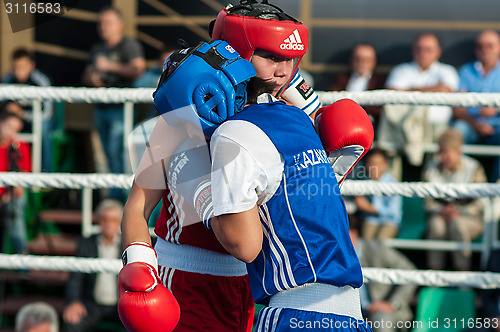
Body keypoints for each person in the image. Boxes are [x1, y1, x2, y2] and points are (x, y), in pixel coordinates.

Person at [118, 2, 331, 332]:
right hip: (183, 279)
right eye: (271, 57)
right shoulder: (185, 111)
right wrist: (140, 264)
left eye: (289, 59)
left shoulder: (285, 115)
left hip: (250, 284)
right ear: (237, 49)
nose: (282, 71)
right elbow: (137, 206)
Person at [82, 6, 145, 181]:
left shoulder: (129, 44)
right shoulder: (97, 48)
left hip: (121, 109)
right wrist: (92, 78)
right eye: (100, 23)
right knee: (106, 154)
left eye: (108, 22)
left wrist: (110, 66)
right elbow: (85, 76)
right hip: (101, 107)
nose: (103, 26)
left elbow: (138, 69)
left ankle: (121, 198)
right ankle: (114, 196)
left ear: (119, 25)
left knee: (119, 151)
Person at [422, 129, 487, 271]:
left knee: (458, 226)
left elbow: (482, 202)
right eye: (441, 152)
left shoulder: (474, 168)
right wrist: (441, 210)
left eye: (447, 152)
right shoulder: (431, 168)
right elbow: (427, 201)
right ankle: (434, 277)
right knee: (436, 226)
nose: (443, 157)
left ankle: (463, 279)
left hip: (470, 217)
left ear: (458, 152)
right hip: (440, 214)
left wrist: (460, 211)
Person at [62, 199, 124, 332]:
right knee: (72, 323)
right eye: (104, 218)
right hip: (91, 304)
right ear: (98, 220)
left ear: (119, 222)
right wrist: (73, 302)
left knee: (141, 324)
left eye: (113, 220)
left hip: (121, 305)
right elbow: (75, 277)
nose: (108, 223)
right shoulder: (86, 243)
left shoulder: (127, 245)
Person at [348, 216, 417, 332]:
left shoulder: (376, 249)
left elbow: (410, 271)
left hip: (383, 311)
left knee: (382, 321)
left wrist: (392, 303)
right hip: (350, 313)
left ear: (354, 233)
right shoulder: (333, 256)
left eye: (342, 233)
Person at [452, 30, 500, 182]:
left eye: (489, 46)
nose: (484, 50)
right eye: (480, 46)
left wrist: (497, 108)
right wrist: (475, 124)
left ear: (498, 47)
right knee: (456, 133)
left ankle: (496, 193)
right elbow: (457, 107)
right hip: (470, 126)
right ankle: (461, 189)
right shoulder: (466, 71)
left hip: (498, 128)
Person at [2, 48, 53, 171]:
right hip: (14, 121)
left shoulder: (41, 81)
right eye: (15, 68)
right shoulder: (7, 80)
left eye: (22, 67)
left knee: (43, 127)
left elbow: (47, 113)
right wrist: (8, 109)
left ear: (31, 66)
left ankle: (44, 176)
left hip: (37, 120)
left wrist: (23, 114)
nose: (18, 72)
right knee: (3, 126)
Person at [328, 43, 386, 128]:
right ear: (351, 60)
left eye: (366, 59)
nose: (362, 63)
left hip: (369, 123)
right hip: (342, 121)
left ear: (373, 62)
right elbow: (331, 99)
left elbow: (380, 108)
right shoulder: (341, 78)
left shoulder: (380, 81)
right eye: (358, 59)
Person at [0, 106, 31, 254]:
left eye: (15, 129)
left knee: (15, 209)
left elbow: (22, 181)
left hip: (11, 197)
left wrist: (7, 196)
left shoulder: (19, 147)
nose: (10, 132)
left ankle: (22, 262)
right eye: (8, 126)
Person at [354, 148, 402, 240]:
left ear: (386, 165)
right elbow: (358, 203)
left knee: (379, 242)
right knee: (365, 242)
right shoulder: (362, 182)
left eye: (378, 164)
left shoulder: (393, 184)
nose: (374, 167)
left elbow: (394, 214)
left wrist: (371, 209)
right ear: (366, 165)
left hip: (390, 222)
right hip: (370, 220)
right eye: (371, 163)